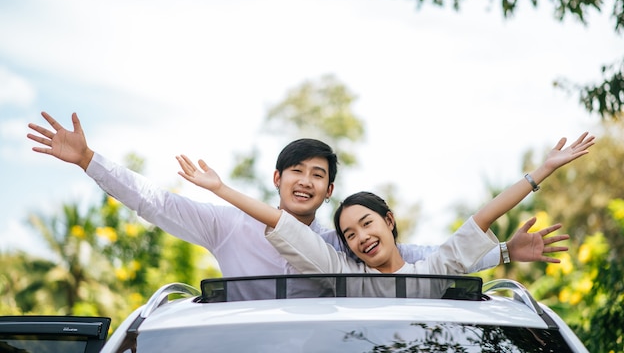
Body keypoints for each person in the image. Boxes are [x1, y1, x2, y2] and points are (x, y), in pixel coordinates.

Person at [28, 112, 569, 294]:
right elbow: (153, 202)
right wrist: (89, 160)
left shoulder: (343, 248)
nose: (306, 182)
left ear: (330, 189)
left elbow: (427, 262)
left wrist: (502, 253)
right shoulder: (225, 225)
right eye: (297, 172)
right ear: (278, 178)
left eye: (319, 175)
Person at [175, 132, 594, 297]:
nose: (361, 237)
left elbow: (482, 218)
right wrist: (222, 189)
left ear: (389, 221)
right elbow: (279, 221)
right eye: (350, 234)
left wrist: (543, 170)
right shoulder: (341, 274)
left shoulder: (431, 270)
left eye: (367, 223)